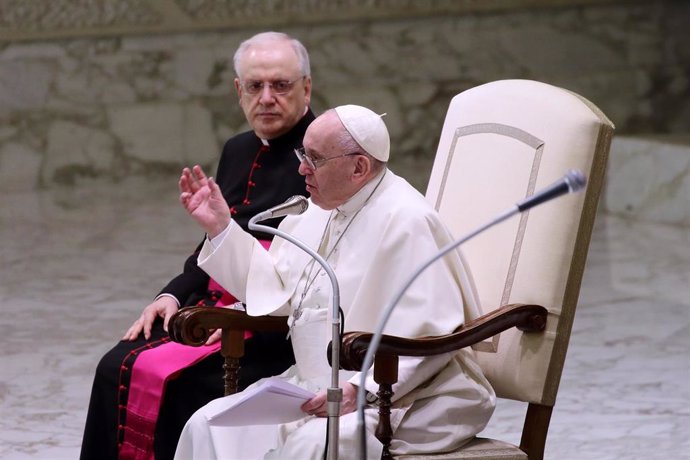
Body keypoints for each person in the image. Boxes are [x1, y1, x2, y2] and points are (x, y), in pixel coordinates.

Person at [173, 105, 496, 459]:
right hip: (313, 389)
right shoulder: (314, 211)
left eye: (314, 158)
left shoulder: (407, 221)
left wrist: (359, 390)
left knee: (316, 444)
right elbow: (276, 292)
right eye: (302, 154)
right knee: (208, 424)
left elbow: (429, 333)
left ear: (359, 167)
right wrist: (220, 227)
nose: (301, 168)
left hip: (403, 396)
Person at [80, 31, 315, 460]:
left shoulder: (322, 151)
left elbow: (315, 266)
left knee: (182, 386)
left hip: (272, 324)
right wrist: (171, 294)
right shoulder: (238, 149)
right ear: (237, 90)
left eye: (280, 85)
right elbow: (214, 241)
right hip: (211, 309)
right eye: (254, 86)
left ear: (307, 88)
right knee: (115, 365)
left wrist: (236, 314)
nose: (266, 98)